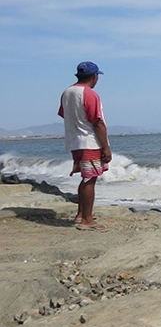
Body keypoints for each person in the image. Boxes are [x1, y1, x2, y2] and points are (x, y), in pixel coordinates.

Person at [58, 61, 111, 231]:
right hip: (89, 141)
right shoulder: (90, 94)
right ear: (95, 77)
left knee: (85, 178)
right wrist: (106, 147)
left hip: (75, 141)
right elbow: (98, 122)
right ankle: (87, 220)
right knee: (90, 179)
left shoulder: (67, 92)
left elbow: (63, 114)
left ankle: (81, 214)